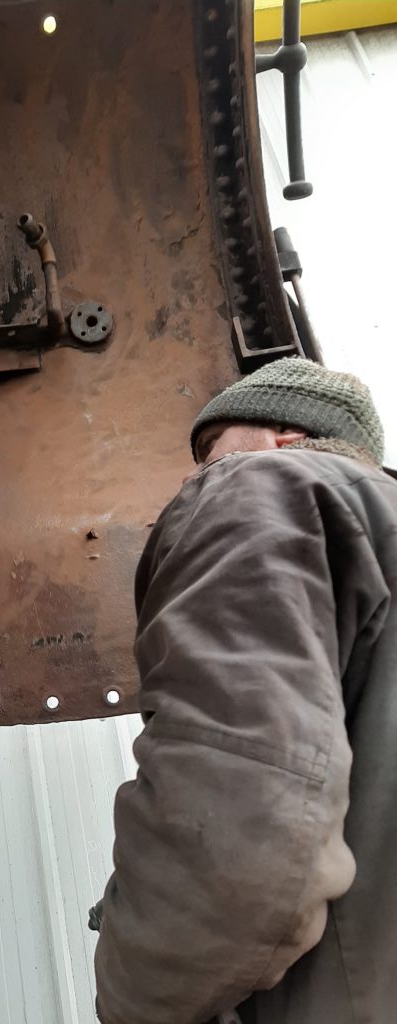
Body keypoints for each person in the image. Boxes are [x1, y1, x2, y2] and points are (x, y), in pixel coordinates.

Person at [91, 357, 396, 1024]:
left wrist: (127, 1000)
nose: (195, 476)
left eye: (209, 451)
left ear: (285, 435)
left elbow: (243, 849)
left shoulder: (267, 484)